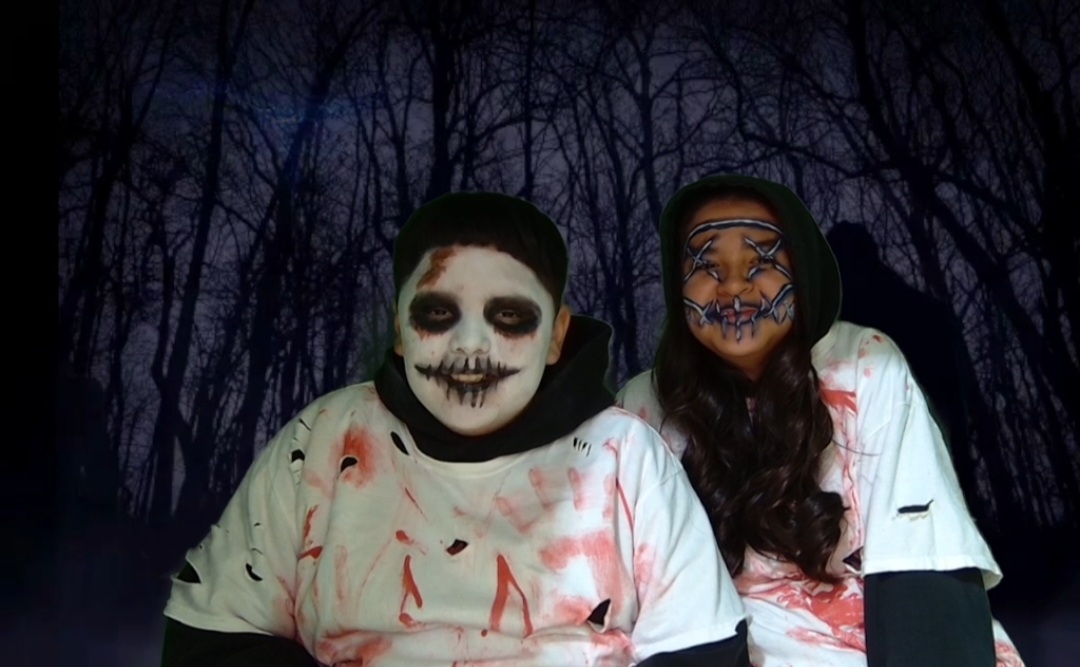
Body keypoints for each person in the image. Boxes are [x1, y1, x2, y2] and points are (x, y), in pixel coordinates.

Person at [161, 191, 749, 666]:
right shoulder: (325, 439)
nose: (471, 346)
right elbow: (212, 635)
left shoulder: (625, 457)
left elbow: (702, 650)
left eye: (509, 316)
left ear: (556, 336)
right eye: (438, 313)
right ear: (400, 328)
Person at [616, 174, 1024, 666]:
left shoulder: (864, 368)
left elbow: (918, 558)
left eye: (761, 261)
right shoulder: (643, 407)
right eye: (706, 265)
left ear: (803, 269)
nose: (734, 286)